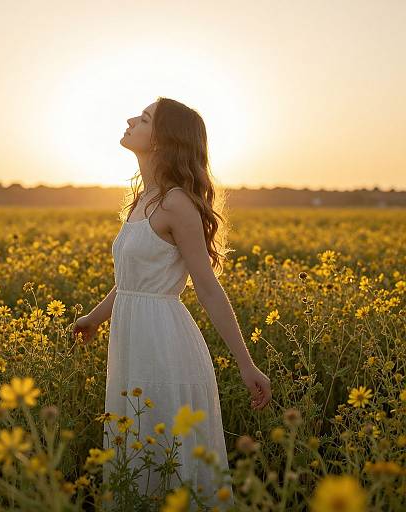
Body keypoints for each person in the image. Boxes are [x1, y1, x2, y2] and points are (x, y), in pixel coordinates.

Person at [74, 97, 272, 509]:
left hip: (165, 345)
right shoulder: (142, 199)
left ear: (164, 140)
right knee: (137, 446)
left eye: (144, 118)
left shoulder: (176, 203)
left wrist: (246, 363)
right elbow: (133, 282)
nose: (130, 119)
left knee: (165, 448)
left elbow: (207, 286)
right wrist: (96, 316)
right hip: (133, 340)